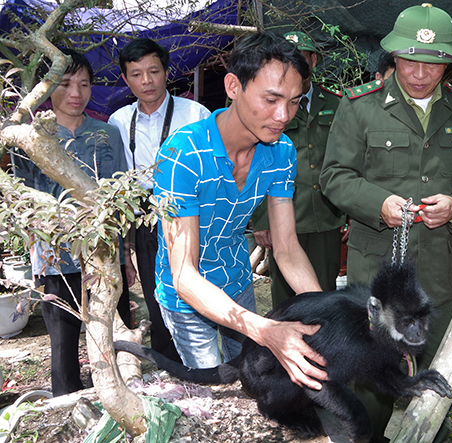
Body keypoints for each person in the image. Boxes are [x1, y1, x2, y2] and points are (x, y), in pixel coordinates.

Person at [320, 4, 452, 441]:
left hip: (437, 271)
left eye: (432, 63)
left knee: (439, 374)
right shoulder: (360, 107)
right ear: (393, 56)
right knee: (372, 375)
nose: (419, 73)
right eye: (410, 60)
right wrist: (380, 203)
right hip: (376, 271)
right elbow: (334, 176)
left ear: (448, 62)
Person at [151, 32, 327, 390]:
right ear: (233, 86)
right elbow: (184, 274)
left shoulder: (281, 152)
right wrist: (264, 329)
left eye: (293, 102)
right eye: (271, 99)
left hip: (236, 280)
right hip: (187, 298)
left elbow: (288, 247)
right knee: (212, 389)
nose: (283, 116)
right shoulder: (184, 154)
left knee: (252, 383)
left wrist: (325, 312)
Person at [11, 49, 132, 396]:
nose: (76, 93)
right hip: (56, 259)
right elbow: (24, 200)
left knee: (110, 336)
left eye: (84, 84)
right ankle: (66, 401)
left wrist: (125, 256)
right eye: (65, 84)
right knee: (63, 342)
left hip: (105, 256)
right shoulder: (31, 139)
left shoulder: (108, 134)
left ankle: (115, 398)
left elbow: (118, 199)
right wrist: (38, 259)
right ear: (48, 88)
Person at [108, 38, 211, 364]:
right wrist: (125, 246)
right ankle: (170, 370)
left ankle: (208, 364)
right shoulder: (120, 122)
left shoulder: (195, 113)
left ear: (167, 72)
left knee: (203, 289)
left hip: (193, 214)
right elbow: (119, 183)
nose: (146, 81)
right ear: (125, 79)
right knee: (159, 297)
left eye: (153, 71)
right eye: (136, 74)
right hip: (146, 219)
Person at [251, 31, 345, 307]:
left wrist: (348, 213)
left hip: (327, 215)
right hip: (284, 213)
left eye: (300, 61)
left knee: (325, 291)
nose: (294, 69)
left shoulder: (336, 103)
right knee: (285, 298)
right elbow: (256, 163)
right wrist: (261, 221)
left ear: (313, 61)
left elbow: (347, 162)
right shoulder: (267, 108)